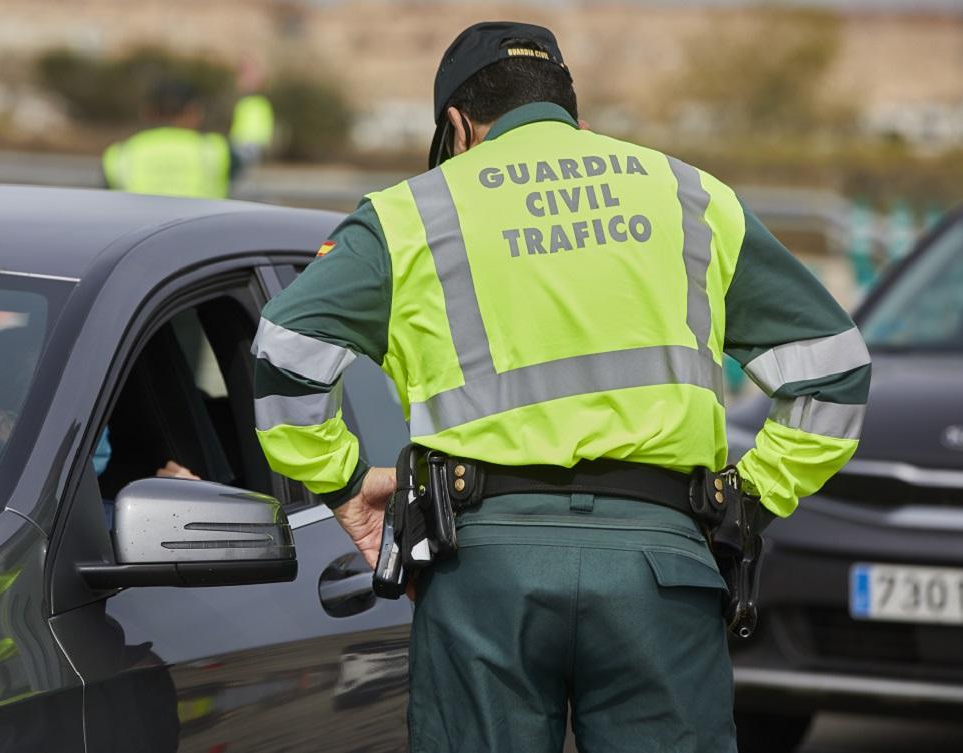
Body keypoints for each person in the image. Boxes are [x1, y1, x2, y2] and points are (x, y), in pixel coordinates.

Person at [251, 21, 870, 753]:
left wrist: (346, 486)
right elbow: (834, 370)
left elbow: (285, 354)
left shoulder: (410, 213)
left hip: (482, 569)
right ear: (576, 119)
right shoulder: (690, 198)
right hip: (661, 565)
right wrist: (748, 502)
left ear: (457, 126)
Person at [102, 80, 248, 199]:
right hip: (203, 233)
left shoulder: (120, 154)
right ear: (193, 112)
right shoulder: (216, 150)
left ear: (147, 111)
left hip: (142, 234)